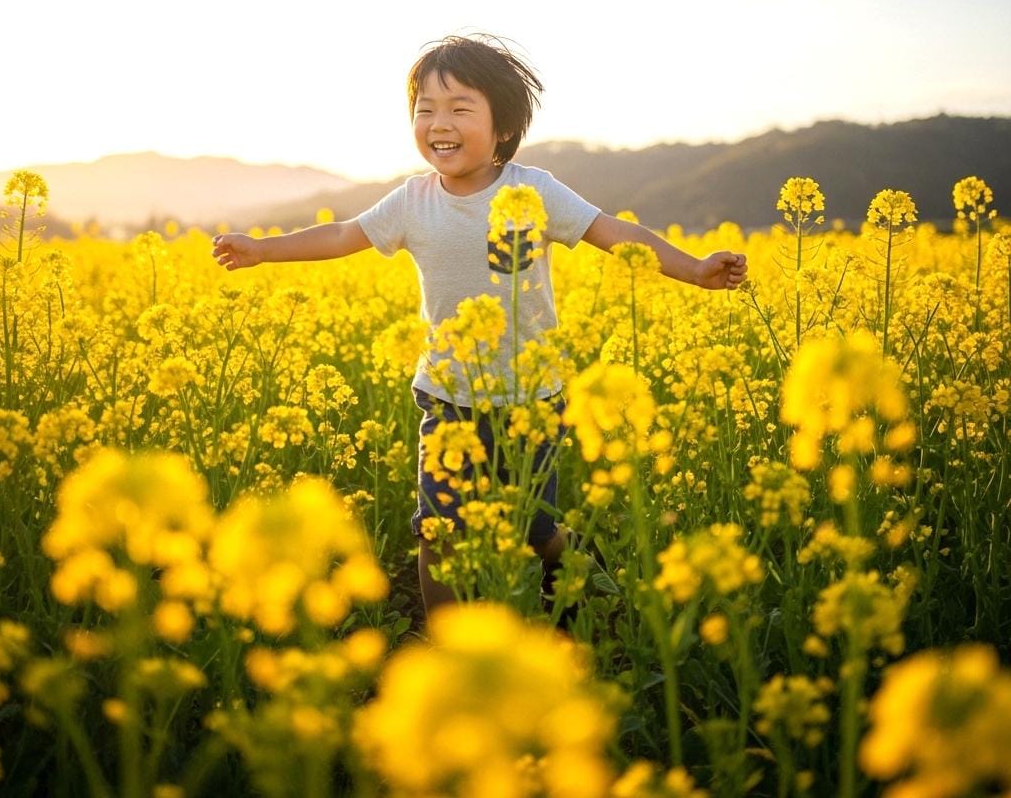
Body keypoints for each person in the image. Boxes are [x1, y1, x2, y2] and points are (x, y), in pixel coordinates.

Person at [211, 34, 747, 619]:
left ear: (503, 127)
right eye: (425, 111)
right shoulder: (411, 200)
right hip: (447, 394)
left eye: (460, 108)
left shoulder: (534, 191)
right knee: (438, 531)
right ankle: (446, 643)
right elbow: (341, 235)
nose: (439, 122)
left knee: (534, 528)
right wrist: (264, 249)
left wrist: (694, 270)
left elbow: (611, 233)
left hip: (532, 396)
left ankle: (581, 591)